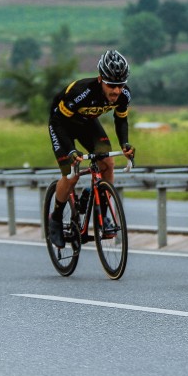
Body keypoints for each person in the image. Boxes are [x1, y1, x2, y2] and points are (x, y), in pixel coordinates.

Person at [45, 49, 135, 247]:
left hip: (87, 123)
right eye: (111, 85)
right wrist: (70, 151)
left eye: (120, 85)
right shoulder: (82, 92)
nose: (116, 91)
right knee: (71, 174)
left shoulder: (123, 95)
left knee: (108, 164)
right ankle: (56, 218)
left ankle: (103, 214)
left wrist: (125, 144)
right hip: (62, 124)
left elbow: (121, 120)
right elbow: (59, 122)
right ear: (100, 79)